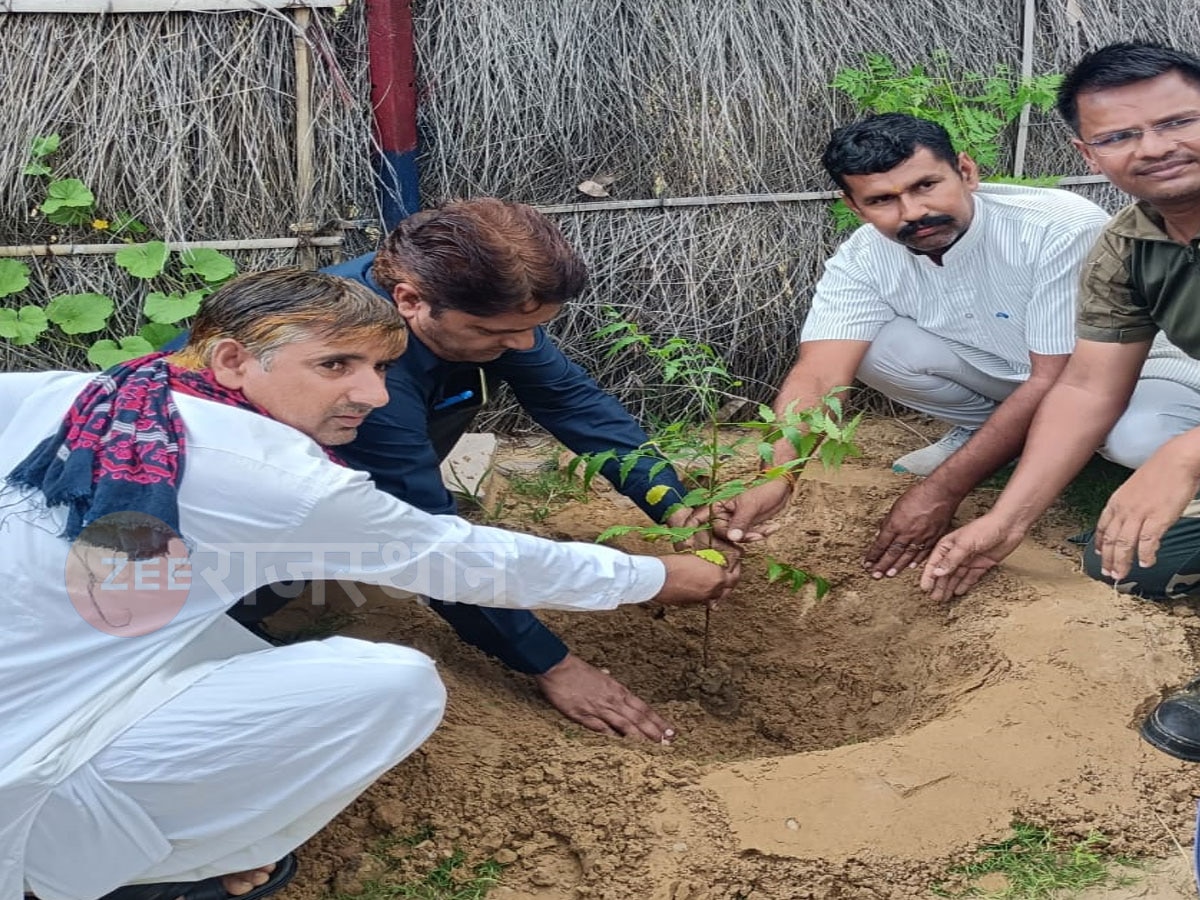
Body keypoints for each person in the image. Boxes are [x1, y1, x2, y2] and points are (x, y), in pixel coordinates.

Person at [0, 268, 736, 900]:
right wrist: (654, 575)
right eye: (336, 366)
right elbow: (464, 560)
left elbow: (572, 404)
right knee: (397, 686)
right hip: (22, 759)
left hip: (51, 660)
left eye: (382, 369)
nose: (375, 395)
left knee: (212, 634)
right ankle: (106, 868)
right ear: (231, 359)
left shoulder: (84, 393)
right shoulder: (279, 478)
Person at [240, 198, 707, 742]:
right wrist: (552, 663)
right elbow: (425, 546)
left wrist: (674, 504)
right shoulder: (354, 374)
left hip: (312, 496)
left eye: (534, 328)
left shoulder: (481, 310)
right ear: (410, 300)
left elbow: (571, 402)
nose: (523, 345)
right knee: (245, 606)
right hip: (201, 531)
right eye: (495, 332)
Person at [705, 112, 1200, 575]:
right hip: (1017, 377)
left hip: (1133, 376)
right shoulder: (863, 258)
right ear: (853, 207)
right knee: (874, 346)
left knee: (1137, 440)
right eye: (882, 200)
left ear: (966, 171)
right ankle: (996, 439)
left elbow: (1060, 377)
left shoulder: (1055, 227)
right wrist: (776, 478)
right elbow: (819, 374)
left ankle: (1085, 452)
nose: (914, 212)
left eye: (927, 185)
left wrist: (942, 490)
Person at [917, 42, 1200, 761]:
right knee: (1134, 566)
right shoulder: (1130, 246)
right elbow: (1086, 387)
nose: (1156, 148)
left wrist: (1186, 454)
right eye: (1120, 135)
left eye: (1178, 122)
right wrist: (1005, 523)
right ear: (1089, 150)